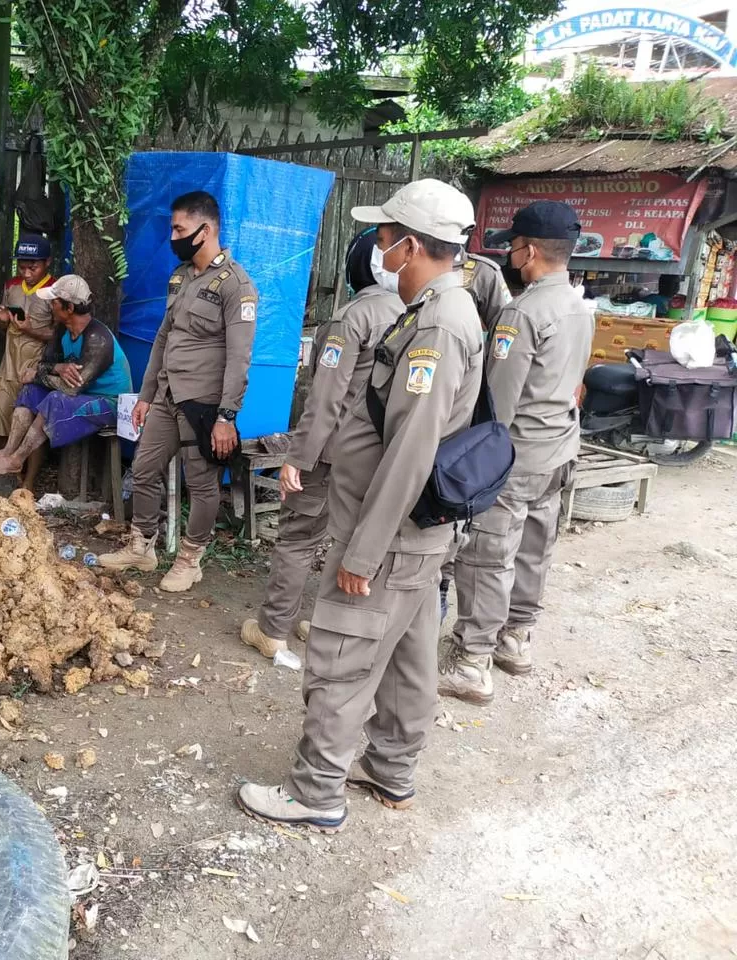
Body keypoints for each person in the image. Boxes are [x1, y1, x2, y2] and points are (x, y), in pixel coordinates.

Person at [236, 180, 483, 830]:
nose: (379, 247)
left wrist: (363, 554)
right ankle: (391, 769)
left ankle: (315, 791)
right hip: (412, 536)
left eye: (386, 236)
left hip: (389, 538)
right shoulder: (429, 311)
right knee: (407, 657)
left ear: (411, 246)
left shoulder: (437, 326)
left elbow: (411, 450)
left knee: (342, 659)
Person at [439, 201, 593, 704]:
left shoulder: (522, 313)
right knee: (534, 548)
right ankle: (516, 638)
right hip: (559, 450)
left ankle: (472, 660)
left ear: (529, 251)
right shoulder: (579, 306)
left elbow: (499, 403)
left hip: (518, 455)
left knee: (487, 556)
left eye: (514, 246)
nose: (511, 255)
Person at [238, 229, 404, 659]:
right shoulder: (410, 314)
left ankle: (273, 630)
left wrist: (297, 457)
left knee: (298, 538)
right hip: (379, 455)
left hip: (332, 453)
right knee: (353, 542)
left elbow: (327, 398)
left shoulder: (352, 319)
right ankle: (334, 626)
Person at [98, 191, 258, 592]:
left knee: (201, 484)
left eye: (179, 229)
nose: (173, 237)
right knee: (144, 469)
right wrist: (146, 395)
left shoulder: (236, 285)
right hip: (168, 396)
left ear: (205, 230)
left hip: (204, 404)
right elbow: (163, 338)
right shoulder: (181, 277)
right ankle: (142, 546)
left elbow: (239, 357)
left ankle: (190, 559)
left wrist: (227, 416)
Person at [0, 275, 132, 477]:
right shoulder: (63, 330)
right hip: (83, 395)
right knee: (30, 392)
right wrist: (58, 367)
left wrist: (38, 375)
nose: (50, 305)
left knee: (55, 399)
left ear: (69, 308)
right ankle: (8, 451)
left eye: (54, 302)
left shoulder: (98, 339)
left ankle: (17, 460)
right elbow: (45, 364)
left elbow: (71, 387)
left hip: (111, 403)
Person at [438, 250, 515, 618]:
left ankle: (440, 585)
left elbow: (504, 331)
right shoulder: (406, 263)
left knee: (448, 495)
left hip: (463, 404)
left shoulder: (482, 273)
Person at [0, 234, 55, 489]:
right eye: (22, 267)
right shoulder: (12, 286)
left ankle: (28, 483)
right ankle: (11, 476)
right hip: (9, 365)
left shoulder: (54, 291)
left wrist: (29, 329)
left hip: (35, 368)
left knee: (32, 429)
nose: (26, 273)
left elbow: (58, 335)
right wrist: (2, 321)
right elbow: (3, 328)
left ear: (47, 262)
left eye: (33, 268)